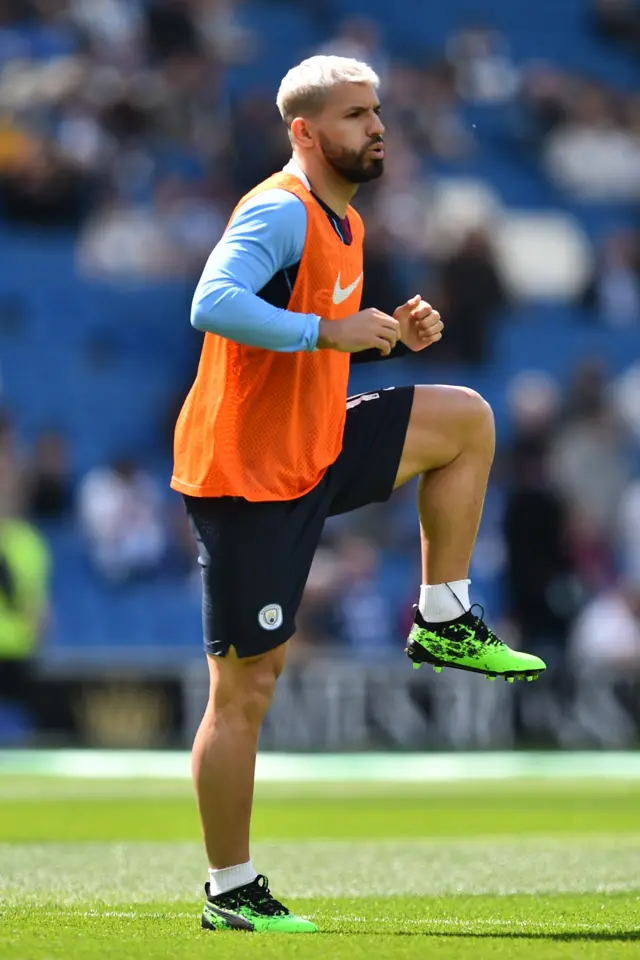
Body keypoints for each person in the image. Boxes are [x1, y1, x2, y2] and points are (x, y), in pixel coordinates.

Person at [170, 55, 546, 935]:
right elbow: (210, 301)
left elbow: (313, 344)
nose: (375, 127)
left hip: (314, 445)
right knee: (246, 692)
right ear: (305, 132)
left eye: (376, 111)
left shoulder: (345, 218)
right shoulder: (279, 208)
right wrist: (328, 330)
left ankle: (446, 617)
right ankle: (231, 892)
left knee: (464, 420)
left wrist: (383, 341)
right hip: (246, 478)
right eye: (352, 115)